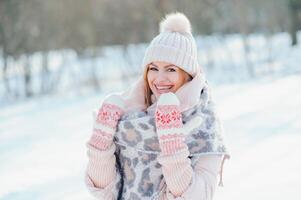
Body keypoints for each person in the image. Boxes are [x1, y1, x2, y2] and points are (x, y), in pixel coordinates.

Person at [85, 12, 230, 200]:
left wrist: (172, 146)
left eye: (171, 69)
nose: (159, 79)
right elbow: (105, 193)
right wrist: (100, 148)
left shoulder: (204, 124)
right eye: (153, 68)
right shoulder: (129, 118)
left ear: (188, 75)